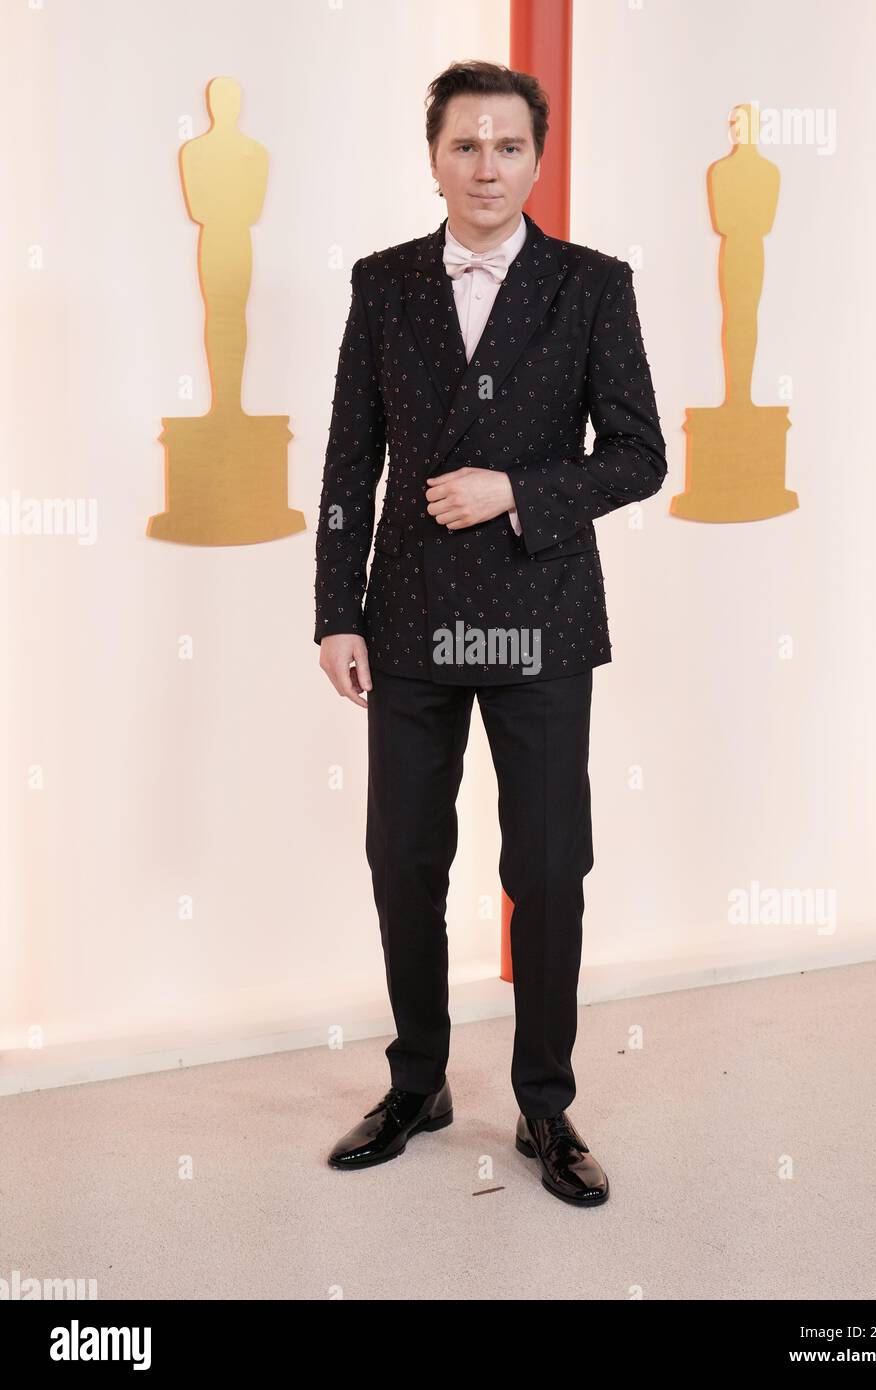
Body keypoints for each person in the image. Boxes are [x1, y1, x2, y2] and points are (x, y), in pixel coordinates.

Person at [315, 60, 667, 1206]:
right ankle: (418, 1081)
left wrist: (514, 486)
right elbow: (344, 467)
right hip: (408, 623)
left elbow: (636, 454)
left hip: (540, 623)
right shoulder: (380, 284)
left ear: (536, 158)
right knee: (403, 860)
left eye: (507, 147)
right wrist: (334, 615)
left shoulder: (591, 285)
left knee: (548, 866)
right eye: (464, 145)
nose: (485, 167)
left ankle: (545, 1107)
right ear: (432, 155)